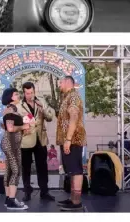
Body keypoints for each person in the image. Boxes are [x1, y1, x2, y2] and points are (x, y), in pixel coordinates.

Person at [15, 82, 56, 201]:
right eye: (27, 93)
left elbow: (49, 118)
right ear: (24, 93)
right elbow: (17, 123)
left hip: (40, 139)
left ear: (34, 91)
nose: (30, 95)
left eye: (32, 92)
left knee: (42, 167)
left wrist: (42, 109)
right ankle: (27, 191)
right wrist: (24, 125)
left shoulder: (41, 102)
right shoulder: (19, 105)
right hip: (26, 139)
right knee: (26, 167)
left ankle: (44, 192)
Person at [56, 76, 87, 211]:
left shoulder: (73, 97)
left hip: (73, 139)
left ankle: (76, 202)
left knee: (76, 170)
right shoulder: (67, 97)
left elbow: (74, 117)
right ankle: (72, 199)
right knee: (71, 170)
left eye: (60, 82)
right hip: (68, 140)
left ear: (68, 82)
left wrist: (68, 139)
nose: (59, 85)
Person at [1, 87, 31, 210]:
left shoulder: (14, 110)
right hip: (10, 144)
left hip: (13, 143)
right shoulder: (10, 110)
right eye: (16, 94)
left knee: (9, 171)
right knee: (16, 170)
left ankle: (9, 199)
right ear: (10, 97)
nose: (18, 96)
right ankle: (12, 200)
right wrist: (23, 127)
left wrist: (25, 127)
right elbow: (10, 128)